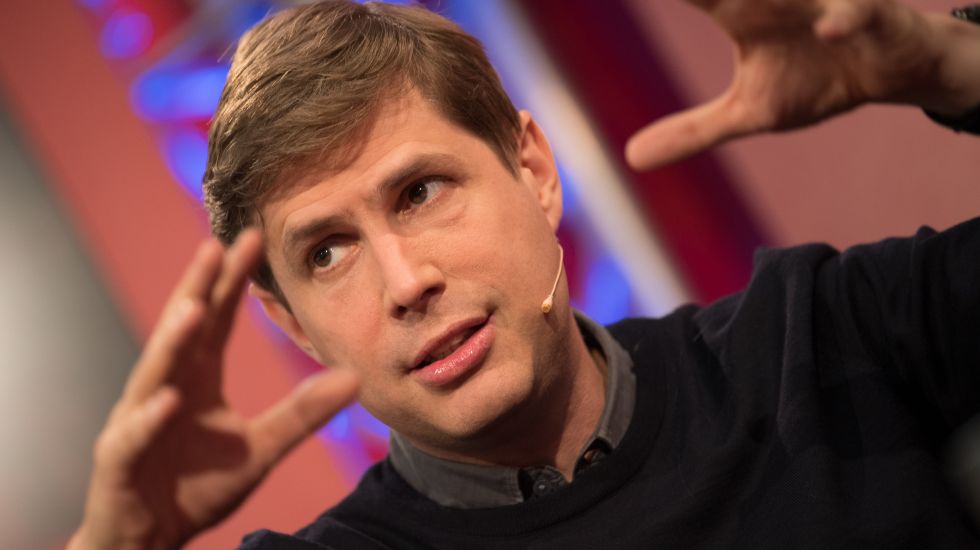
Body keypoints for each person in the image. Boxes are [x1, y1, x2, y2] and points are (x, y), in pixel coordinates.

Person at [68, 0, 980, 548]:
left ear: (533, 170)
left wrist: (957, 68)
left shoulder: (812, 338)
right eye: (327, 252)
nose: (405, 282)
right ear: (294, 323)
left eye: (419, 192)